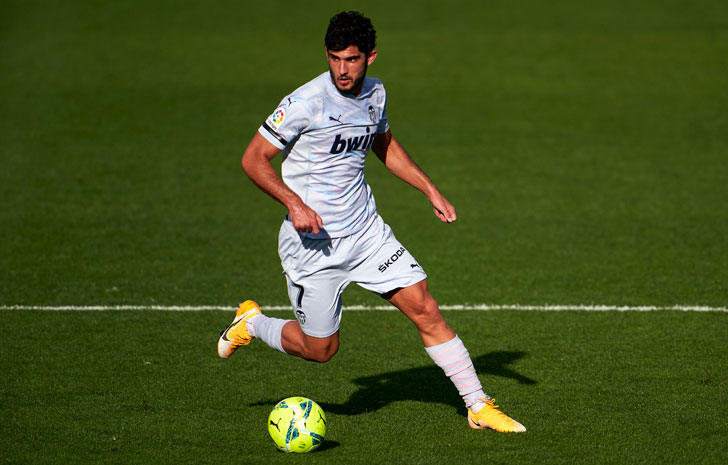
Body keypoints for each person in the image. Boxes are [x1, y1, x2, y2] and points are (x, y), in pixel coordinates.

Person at [218, 11, 525, 433]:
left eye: (351, 59)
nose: (342, 69)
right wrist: (294, 203)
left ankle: (477, 405)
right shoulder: (306, 102)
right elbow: (252, 159)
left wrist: (429, 189)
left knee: (426, 309)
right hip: (314, 246)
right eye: (334, 58)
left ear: (371, 57)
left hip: (366, 234)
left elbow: (383, 143)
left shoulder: (375, 94)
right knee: (320, 350)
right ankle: (252, 322)